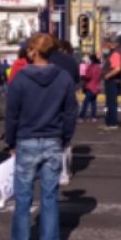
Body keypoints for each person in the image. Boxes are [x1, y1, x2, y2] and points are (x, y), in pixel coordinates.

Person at [4, 33, 77, 240]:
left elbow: (12, 114)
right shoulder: (63, 78)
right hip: (53, 140)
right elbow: (70, 113)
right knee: (49, 197)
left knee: (23, 198)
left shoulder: (20, 78)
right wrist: (65, 137)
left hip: (26, 140)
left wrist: (11, 142)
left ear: (32, 50)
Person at [49, 39, 79, 186]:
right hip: (68, 100)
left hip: (50, 102)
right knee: (66, 139)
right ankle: (66, 171)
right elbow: (77, 80)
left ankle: (59, 171)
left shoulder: (47, 60)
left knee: (53, 138)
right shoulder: (72, 61)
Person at [102, 37, 121, 130]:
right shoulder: (110, 55)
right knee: (109, 102)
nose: (103, 48)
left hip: (112, 81)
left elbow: (117, 68)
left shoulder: (115, 54)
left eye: (105, 45)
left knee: (112, 103)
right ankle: (109, 122)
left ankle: (113, 123)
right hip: (109, 81)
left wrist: (108, 75)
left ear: (110, 45)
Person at [79, 54, 101, 122]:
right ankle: (93, 117)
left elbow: (88, 76)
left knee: (85, 102)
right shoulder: (98, 67)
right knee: (93, 102)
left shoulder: (91, 67)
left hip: (90, 86)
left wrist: (83, 77)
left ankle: (81, 116)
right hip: (96, 87)